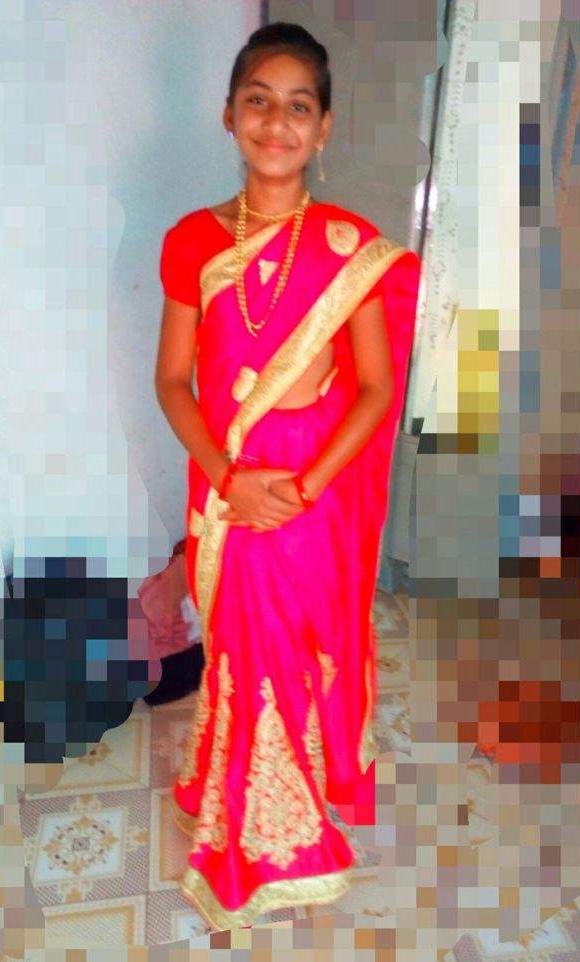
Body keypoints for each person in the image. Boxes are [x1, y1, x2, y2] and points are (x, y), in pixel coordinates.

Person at [155, 21, 420, 930]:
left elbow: (375, 387)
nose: (277, 122)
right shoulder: (192, 241)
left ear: (325, 127)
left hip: (315, 485)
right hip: (227, 478)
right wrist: (228, 476)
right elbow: (173, 381)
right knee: (242, 642)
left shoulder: (352, 247)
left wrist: (303, 488)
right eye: (259, 101)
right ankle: (253, 826)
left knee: (301, 643)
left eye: (298, 106)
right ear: (229, 114)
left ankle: (283, 795)